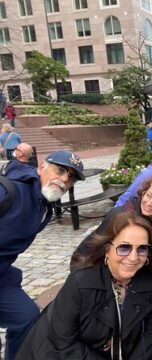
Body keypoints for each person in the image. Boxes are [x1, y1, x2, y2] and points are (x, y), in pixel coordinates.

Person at [17, 211, 152, 359]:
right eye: (124, 248)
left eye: (142, 248)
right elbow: (62, 340)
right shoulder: (81, 282)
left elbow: (148, 336)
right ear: (106, 249)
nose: (133, 257)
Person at [0, 150, 85, 360]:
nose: (65, 179)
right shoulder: (8, 191)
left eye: (71, 177)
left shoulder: (45, 203)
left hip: (2, 275)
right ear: (40, 168)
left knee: (26, 316)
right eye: (60, 170)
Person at [72, 175, 152, 262]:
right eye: (148, 195)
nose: (149, 202)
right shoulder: (120, 216)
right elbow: (87, 250)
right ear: (143, 193)